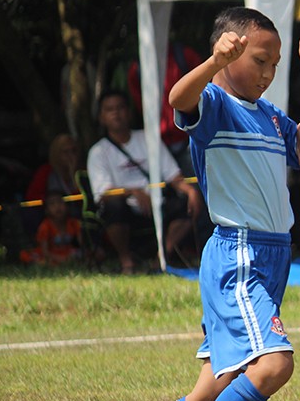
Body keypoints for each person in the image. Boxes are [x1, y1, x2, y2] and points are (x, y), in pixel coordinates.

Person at [81, 7, 300, 401]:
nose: (268, 73)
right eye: (260, 61)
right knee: (275, 364)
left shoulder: (271, 116)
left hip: (271, 257)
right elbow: (179, 99)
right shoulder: (215, 103)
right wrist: (211, 64)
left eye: (275, 64)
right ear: (228, 50)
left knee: (210, 391)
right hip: (239, 254)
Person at [86, 89, 203, 274]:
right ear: (101, 117)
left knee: (186, 203)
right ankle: (126, 261)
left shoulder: (148, 139)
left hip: (157, 203)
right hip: (125, 207)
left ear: (129, 112)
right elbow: (103, 193)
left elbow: (173, 176)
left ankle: (161, 256)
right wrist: (133, 192)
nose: (116, 113)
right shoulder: (98, 152)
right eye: (110, 109)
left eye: (120, 108)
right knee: (114, 207)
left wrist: (191, 191)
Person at [128, 41, 205, 176]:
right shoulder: (137, 68)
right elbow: (141, 106)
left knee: (199, 182)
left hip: (190, 136)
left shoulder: (184, 55)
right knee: (171, 185)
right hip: (158, 144)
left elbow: (205, 90)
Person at [18, 191, 83, 266]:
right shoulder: (45, 226)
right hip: (51, 255)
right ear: (47, 210)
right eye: (52, 204)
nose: (57, 206)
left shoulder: (74, 223)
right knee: (27, 256)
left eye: (60, 202)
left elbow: (81, 246)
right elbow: (45, 252)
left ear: (67, 206)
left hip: (67, 253)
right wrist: (60, 259)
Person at [25, 134, 82, 205]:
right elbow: (32, 198)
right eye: (66, 152)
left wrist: (74, 174)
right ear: (57, 154)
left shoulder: (83, 171)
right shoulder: (45, 172)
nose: (71, 155)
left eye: (74, 151)